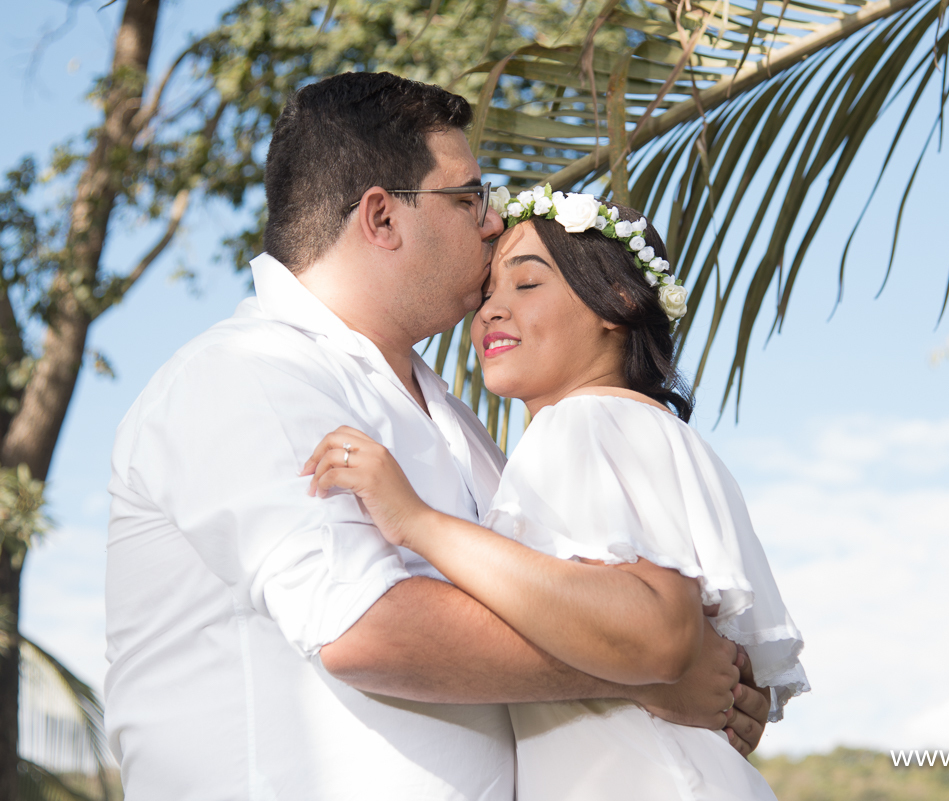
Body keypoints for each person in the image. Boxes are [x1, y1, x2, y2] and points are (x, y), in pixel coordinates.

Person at [104, 73, 768, 800]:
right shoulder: (246, 374)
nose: (492, 220)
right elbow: (365, 627)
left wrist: (708, 684)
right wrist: (644, 670)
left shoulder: (463, 422)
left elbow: (594, 597)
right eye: (468, 198)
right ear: (382, 217)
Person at [302, 186, 809, 800]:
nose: (491, 311)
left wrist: (418, 522)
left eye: (526, 283)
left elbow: (660, 633)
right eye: (487, 292)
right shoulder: (636, 430)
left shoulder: (587, 420)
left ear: (617, 302)